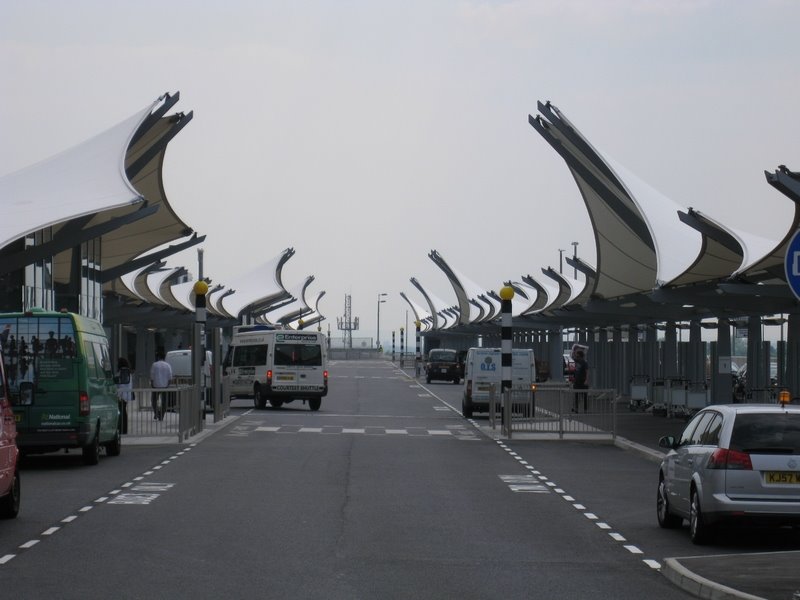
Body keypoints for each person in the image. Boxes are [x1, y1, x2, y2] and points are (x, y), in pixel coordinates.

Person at [150, 351, 173, 421]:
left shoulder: (154, 365)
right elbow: (170, 377)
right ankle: (162, 415)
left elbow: (152, 376)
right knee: (164, 402)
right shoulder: (168, 365)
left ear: (158, 357)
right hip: (165, 386)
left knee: (154, 401)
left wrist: (152, 384)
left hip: (156, 386)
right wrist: (167, 385)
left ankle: (156, 413)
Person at [116, 357, 133, 433]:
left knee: (121, 412)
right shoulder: (128, 372)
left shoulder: (122, 372)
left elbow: (120, 385)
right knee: (123, 412)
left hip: (121, 395)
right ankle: (124, 429)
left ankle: (122, 429)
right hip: (125, 395)